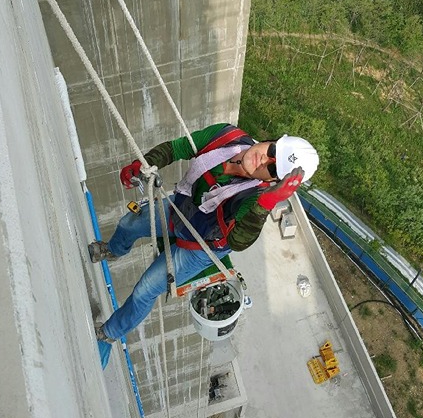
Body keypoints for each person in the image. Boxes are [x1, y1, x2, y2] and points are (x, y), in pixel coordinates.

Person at [89, 123, 319, 342]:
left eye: (272, 167)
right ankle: (112, 250)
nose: (264, 159)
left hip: (201, 246)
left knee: (145, 290)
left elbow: (238, 241)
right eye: (273, 151)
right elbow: (177, 148)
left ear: (272, 180)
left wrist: (267, 204)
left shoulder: (255, 199)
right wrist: (144, 165)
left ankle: (110, 333)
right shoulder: (226, 137)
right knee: (130, 223)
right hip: (182, 210)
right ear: (271, 140)